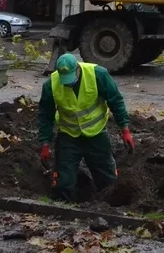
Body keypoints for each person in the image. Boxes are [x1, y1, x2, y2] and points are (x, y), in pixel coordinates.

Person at [37, 53, 136, 202]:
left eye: (70, 79)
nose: (68, 84)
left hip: (96, 134)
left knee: (108, 181)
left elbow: (116, 101)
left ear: (77, 69)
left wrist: (125, 130)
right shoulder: (51, 85)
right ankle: (64, 209)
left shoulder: (98, 75)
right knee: (63, 184)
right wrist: (45, 142)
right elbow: (45, 115)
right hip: (68, 136)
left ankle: (110, 208)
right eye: (65, 81)